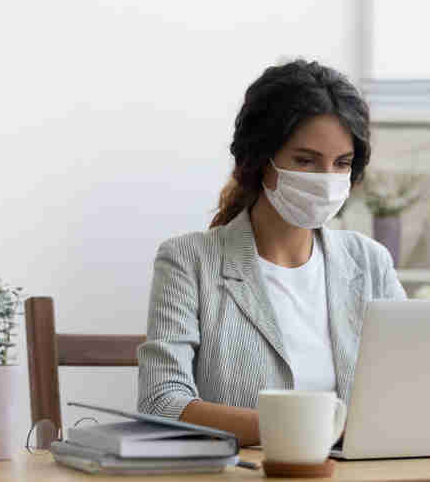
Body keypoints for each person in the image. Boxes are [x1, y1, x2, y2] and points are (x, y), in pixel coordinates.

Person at [137, 59, 406, 446]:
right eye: (305, 160)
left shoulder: (371, 262)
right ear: (261, 159)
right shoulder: (189, 261)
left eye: (341, 163)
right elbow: (161, 402)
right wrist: (306, 430)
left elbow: (407, 391)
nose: (326, 178)